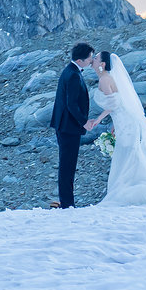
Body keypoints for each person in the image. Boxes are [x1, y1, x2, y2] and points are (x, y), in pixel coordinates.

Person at [92, 50, 146, 205]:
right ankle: (135, 186)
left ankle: (135, 189)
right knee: (130, 153)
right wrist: (114, 124)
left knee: (128, 153)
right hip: (123, 121)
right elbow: (119, 102)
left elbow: (114, 104)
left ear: (102, 64)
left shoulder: (105, 80)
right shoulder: (107, 78)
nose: (93, 60)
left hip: (125, 123)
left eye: (96, 58)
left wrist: (98, 119)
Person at [50, 42, 96, 208]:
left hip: (64, 125)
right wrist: (85, 122)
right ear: (80, 60)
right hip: (68, 127)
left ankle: (66, 201)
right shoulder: (74, 75)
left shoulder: (70, 71)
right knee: (67, 165)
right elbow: (72, 104)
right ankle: (67, 203)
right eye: (89, 58)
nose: (91, 61)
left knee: (67, 164)